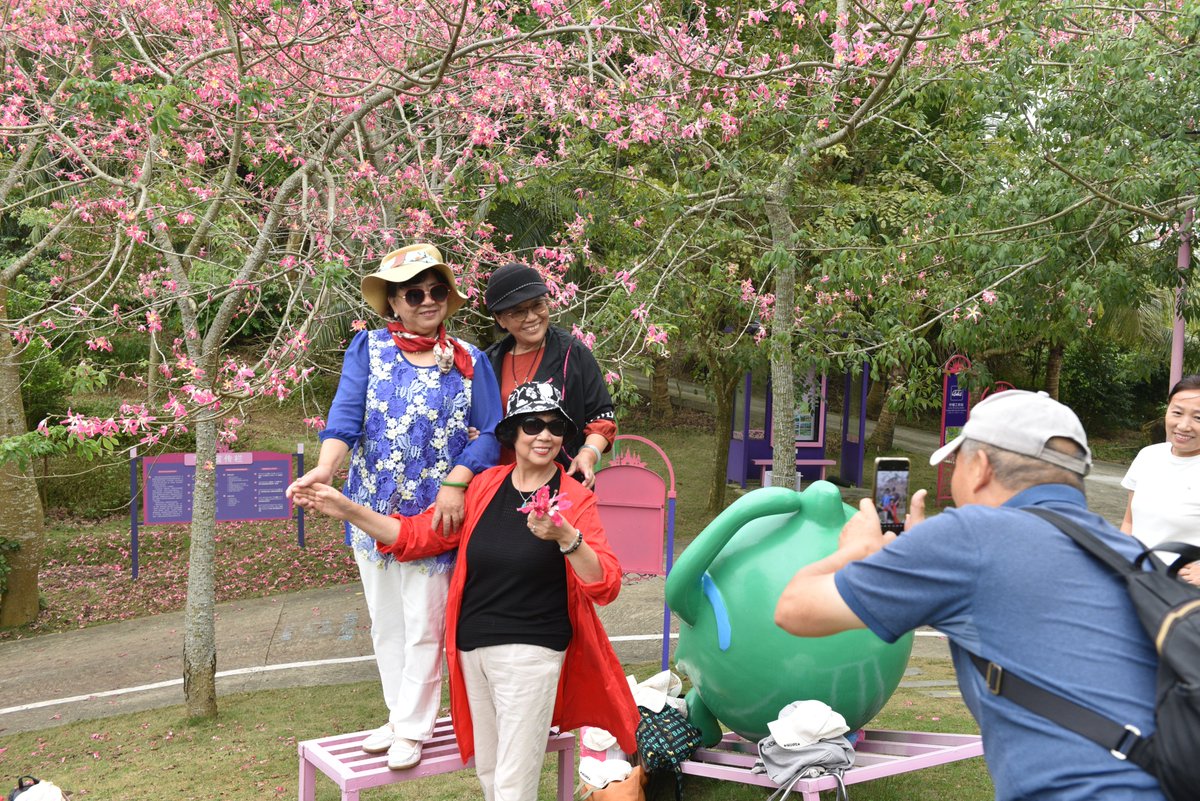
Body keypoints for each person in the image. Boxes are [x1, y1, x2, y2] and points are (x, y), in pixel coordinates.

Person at [775, 390, 1165, 801]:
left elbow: (795, 608)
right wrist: (913, 557)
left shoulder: (969, 537)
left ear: (978, 467)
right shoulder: (1132, 555)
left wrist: (855, 551)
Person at [292, 382, 639, 801]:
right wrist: (345, 507)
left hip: (533, 651)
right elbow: (418, 534)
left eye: (555, 426)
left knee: (513, 784)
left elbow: (606, 584)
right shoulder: (485, 485)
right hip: (472, 650)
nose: (545, 435)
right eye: (532, 424)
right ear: (512, 432)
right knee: (491, 774)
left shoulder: (573, 499)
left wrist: (567, 537)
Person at [286, 243, 502, 769]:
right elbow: (345, 417)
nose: (428, 300)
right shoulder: (367, 349)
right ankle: (397, 713)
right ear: (393, 303)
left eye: (436, 290)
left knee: (425, 622)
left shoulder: (471, 359)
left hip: (436, 517)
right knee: (387, 623)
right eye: (414, 292)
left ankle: (414, 725)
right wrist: (326, 468)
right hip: (370, 511)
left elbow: (494, 433)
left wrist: (457, 480)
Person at [483, 262, 616, 488]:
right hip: (499, 487)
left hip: (562, 485)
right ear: (500, 319)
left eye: (538, 305)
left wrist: (588, 453)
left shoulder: (573, 353)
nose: (532, 317)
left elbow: (601, 417)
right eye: (518, 311)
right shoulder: (488, 361)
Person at [1121, 374, 1200, 585]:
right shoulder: (1149, 455)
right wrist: (1120, 558)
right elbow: (1129, 521)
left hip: (1182, 595)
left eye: (1198, 418)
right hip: (1137, 579)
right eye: (1177, 413)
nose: (1184, 426)